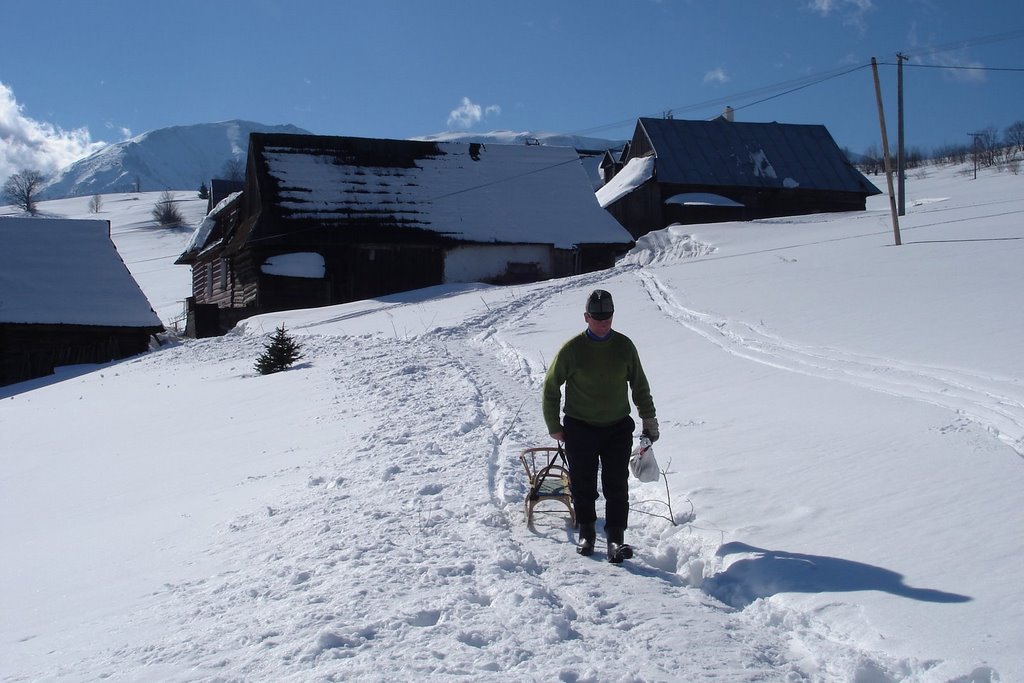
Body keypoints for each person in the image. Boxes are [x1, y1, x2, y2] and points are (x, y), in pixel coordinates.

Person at [542, 289, 659, 562]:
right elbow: (550, 387)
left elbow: (640, 386)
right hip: (580, 427)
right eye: (597, 317)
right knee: (583, 483)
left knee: (616, 483)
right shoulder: (572, 350)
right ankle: (587, 533)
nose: (603, 322)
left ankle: (616, 539)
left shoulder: (624, 347)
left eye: (607, 316)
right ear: (586, 317)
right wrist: (554, 425)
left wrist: (649, 419)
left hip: (617, 427)